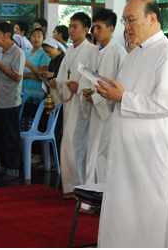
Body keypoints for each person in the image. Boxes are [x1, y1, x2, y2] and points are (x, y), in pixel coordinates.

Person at [96, 0, 168, 248]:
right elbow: (125, 94)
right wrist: (111, 92)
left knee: (149, 216)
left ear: (152, 18)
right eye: (125, 21)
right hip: (126, 152)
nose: (127, 27)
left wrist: (122, 97)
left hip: (150, 154)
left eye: (131, 20)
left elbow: (166, 103)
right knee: (123, 215)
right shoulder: (134, 54)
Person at [53, 12, 98, 196]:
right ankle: (70, 186)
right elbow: (63, 75)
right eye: (70, 26)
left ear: (86, 29)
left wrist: (79, 87)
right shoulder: (70, 50)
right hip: (69, 104)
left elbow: (95, 77)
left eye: (75, 27)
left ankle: (80, 186)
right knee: (68, 144)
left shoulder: (92, 51)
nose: (71, 30)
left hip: (82, 105)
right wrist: (58, 83)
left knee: (77, 145)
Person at [81, 8, 126, 184]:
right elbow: (89, 76)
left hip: (109, 111)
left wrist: (97, 96)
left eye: (99, 27)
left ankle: (102, 192)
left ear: (111, 28)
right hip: (94, 108)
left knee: (103, 153)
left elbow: (120, 85)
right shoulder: (94, 51)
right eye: (94, 27)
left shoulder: (119, 53)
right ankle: (89, 189)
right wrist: (87, 91)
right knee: (92, 150)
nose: (95, 31)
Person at [0, 21, 25, 180]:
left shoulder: (18, 53)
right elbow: (1, 73)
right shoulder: (2, 51)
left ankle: (13, 168)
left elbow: (17, 76)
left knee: (10, 136)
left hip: (11, 102)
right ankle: (2, 165)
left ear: (7, 35)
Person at [21, 28, 51, 129]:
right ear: (30, 37)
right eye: (34, 36)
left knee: (32, 123)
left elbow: (42, 76)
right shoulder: (25, 52)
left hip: (36, 94)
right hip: (23, 91)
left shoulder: (44, 54)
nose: (36, 38)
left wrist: (27, 72)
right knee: (22, 121)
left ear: (43, 39)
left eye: (39, 36)